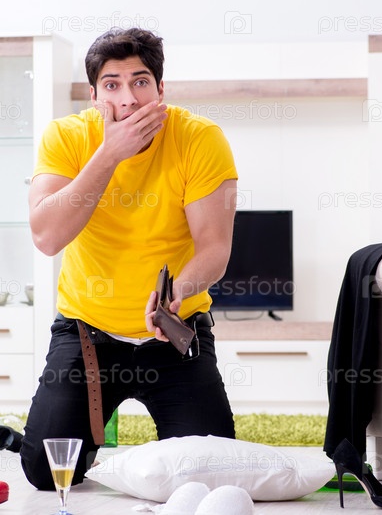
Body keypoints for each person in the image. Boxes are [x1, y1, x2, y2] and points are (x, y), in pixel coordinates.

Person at [20, 27, 239, 490]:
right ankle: (43, 435)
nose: (128, 99)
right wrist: (109, 154)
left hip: (174, 334)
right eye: (112, 84)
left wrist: (176, 295)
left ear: (160, 89)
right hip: (87, 334)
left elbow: (215, 248)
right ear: (94, 95)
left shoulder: (200, 138)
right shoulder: (66, 137)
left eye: (140, 82)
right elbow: (47, 237)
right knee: (47, 473)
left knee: (210, 472)